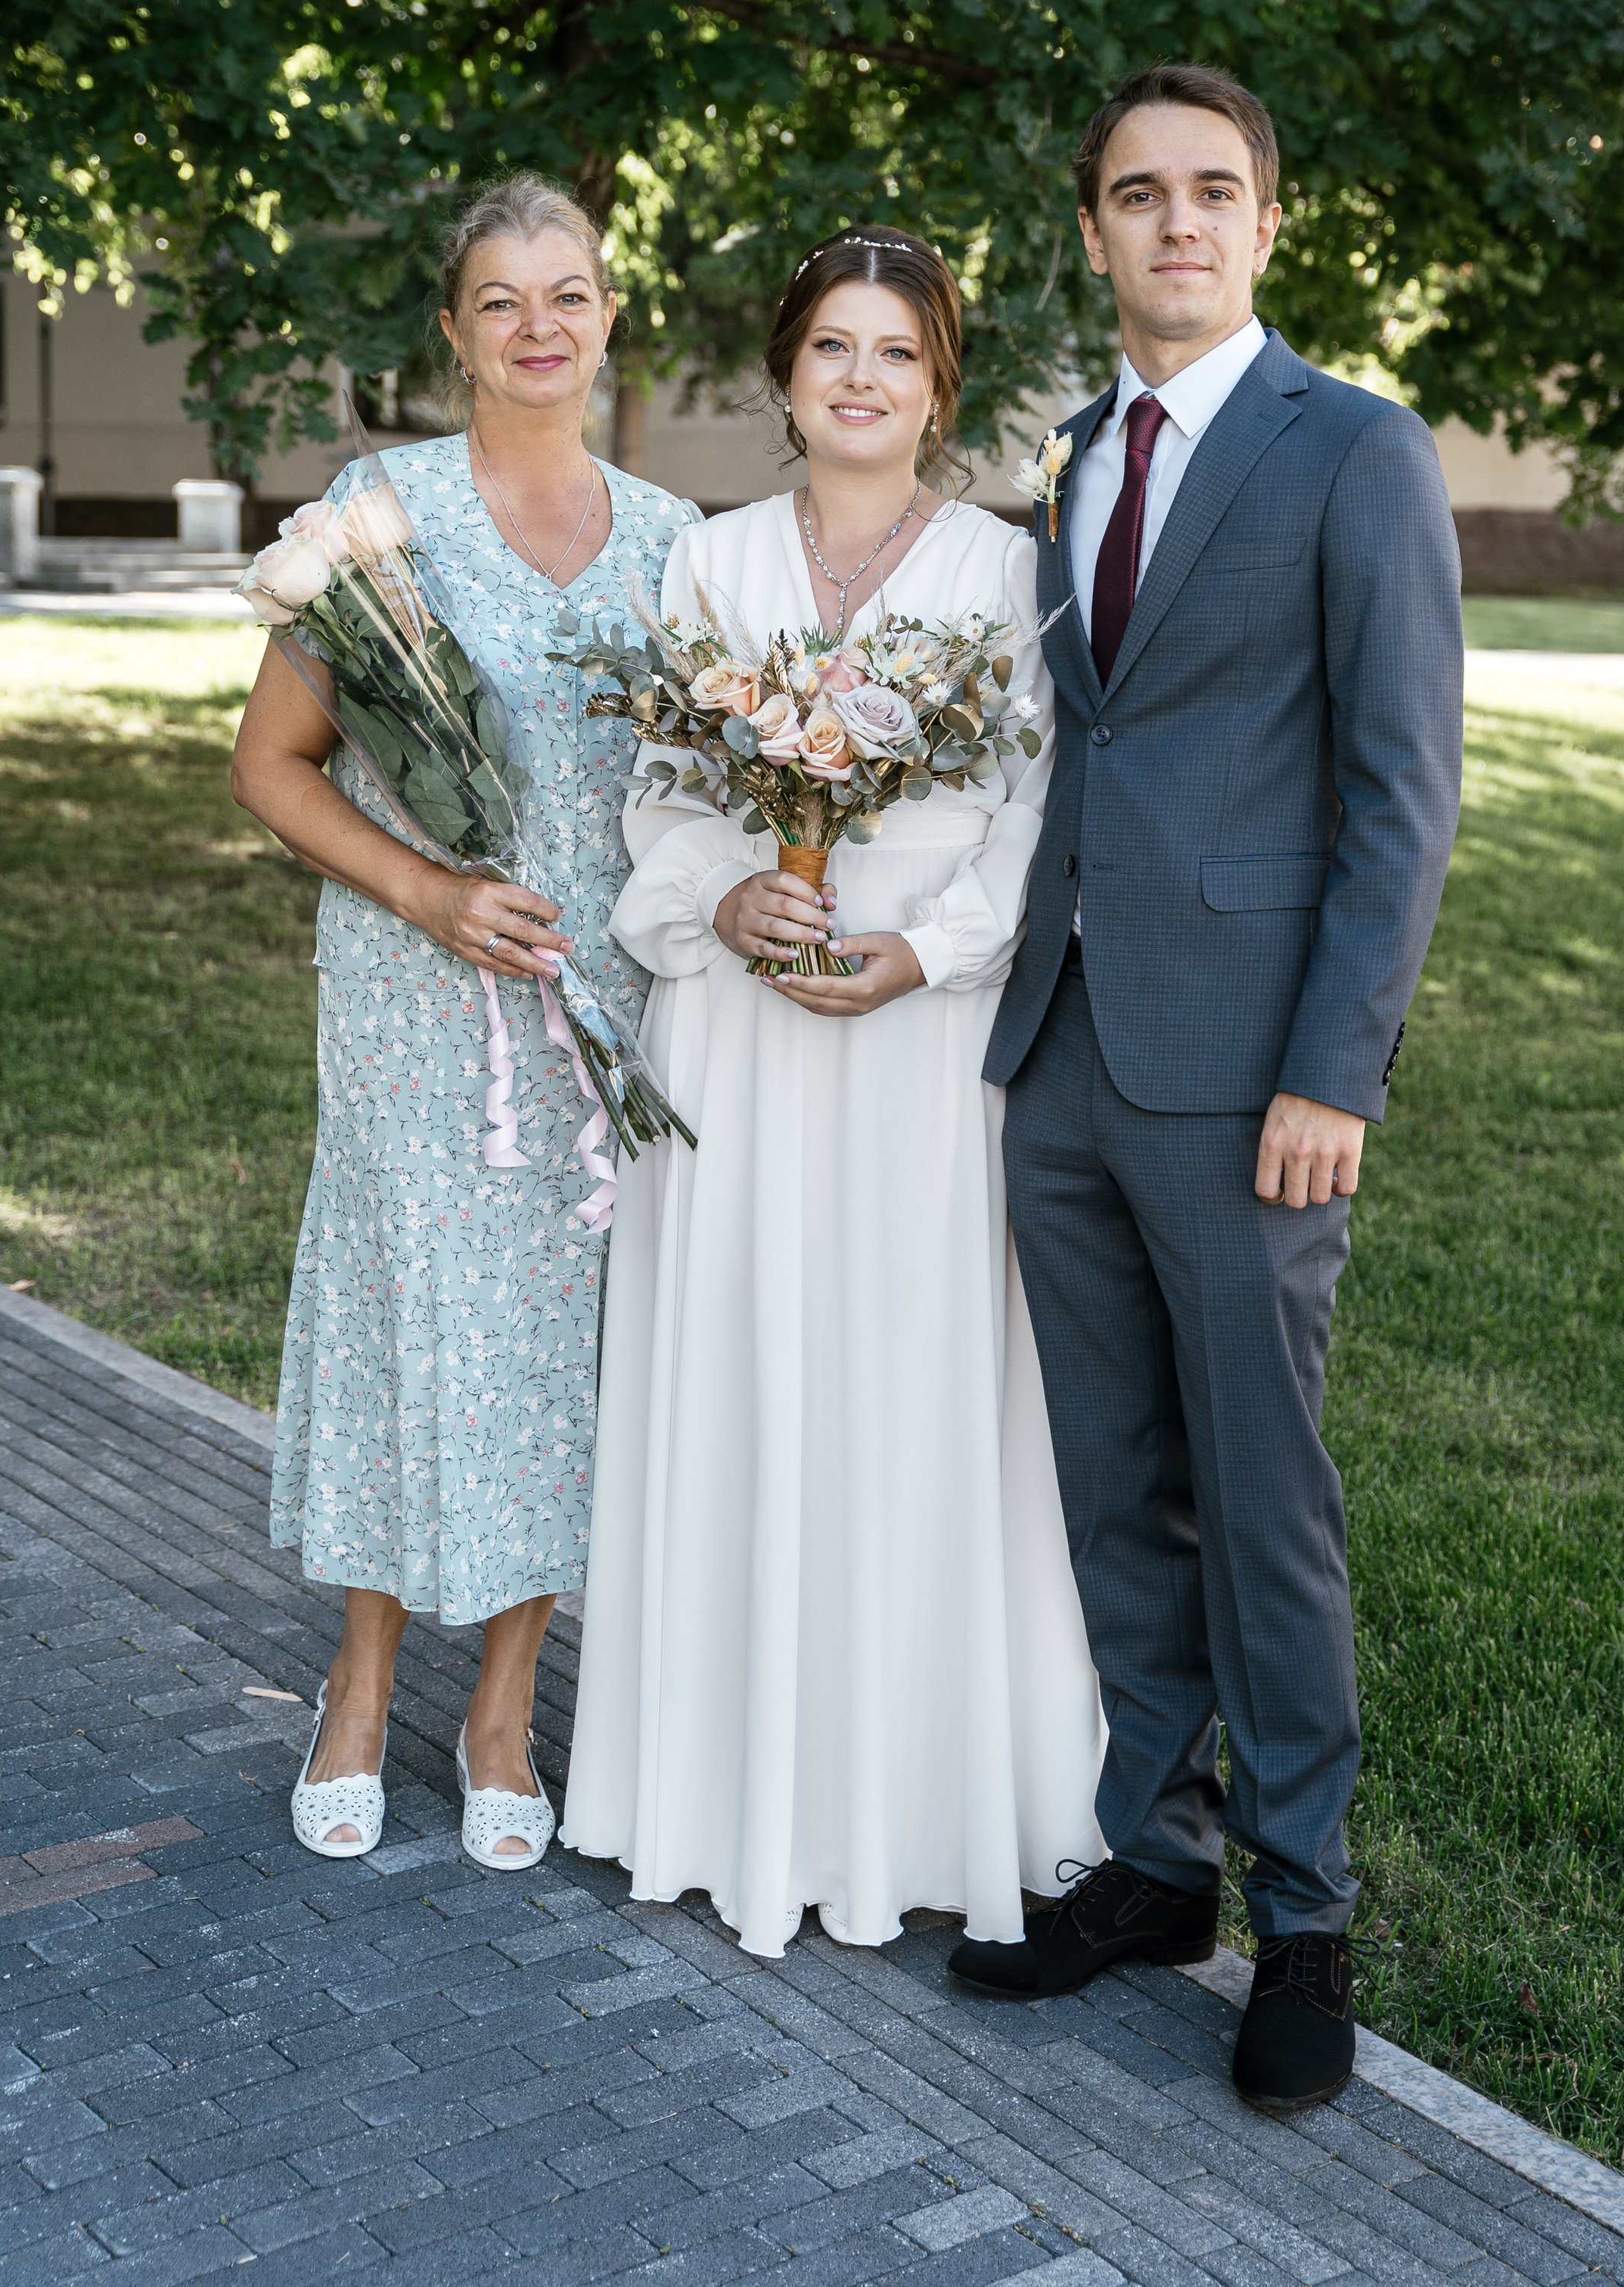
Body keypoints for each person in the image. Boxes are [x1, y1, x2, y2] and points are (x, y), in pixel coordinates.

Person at [953, 63, 1463, 2118]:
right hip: (1062, 1056)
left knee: (1264, 1508)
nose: (1177, 224)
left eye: (1214, 192)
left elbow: (1400, 796)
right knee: (1111, 1490)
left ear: (1269, 224)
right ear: (1093, 232)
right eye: (1139, 195)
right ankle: (1157, 1869)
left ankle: (1309, 1914)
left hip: (1255, 1078)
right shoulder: (1077, 453)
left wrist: (1335, 1069)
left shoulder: (1360, 454)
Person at [560, 225, 1104, 1955]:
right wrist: (722, 896)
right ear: (783, 378)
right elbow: (655, 796)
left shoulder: (1009, 571)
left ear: (939, 382)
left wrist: (927, 953)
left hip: (920, 1043)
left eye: (893, 352)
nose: (858, 379)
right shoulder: (708, 562)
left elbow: (1035, 817)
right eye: (827, 351)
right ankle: (717, 1795)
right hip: (735, 1022)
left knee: (910, 1385)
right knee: (739, 1376)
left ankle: (917, 1802)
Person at [231, 172, 697, 1873]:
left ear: (607, 314)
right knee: (403, 1324)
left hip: (601, 1010)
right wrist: (429, 894)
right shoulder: (384, 511)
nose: (536, 328)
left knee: (565, 1360)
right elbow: (270, 768)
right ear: (453, 332)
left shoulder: (670, 541)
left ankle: (502, 1706)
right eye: (498, 301)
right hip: (417, 1002)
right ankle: (356, 1689)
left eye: (565, 293)